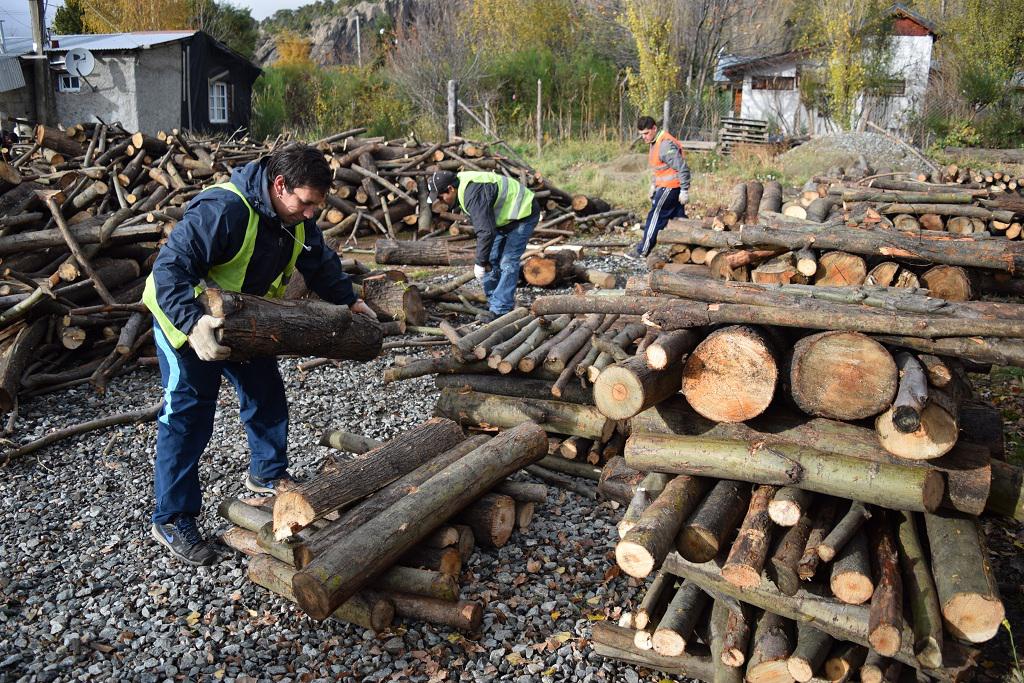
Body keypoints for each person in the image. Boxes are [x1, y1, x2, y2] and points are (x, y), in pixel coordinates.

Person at [142, 142, 376, 566]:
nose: (311, 213)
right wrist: (192, 324)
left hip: (244, 319)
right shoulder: (223, 210)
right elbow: (169, 271)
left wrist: (350, 301)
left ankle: (267, 474)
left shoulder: (297, 219)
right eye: (306, 203)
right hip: (187, 319)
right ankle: (172, 518)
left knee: (266, 395)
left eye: (317, 206)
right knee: (188, 416)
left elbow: (319, 261)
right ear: (280, 185)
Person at [428, 170, 540, 322]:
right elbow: (486, 228)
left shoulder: (474, 193)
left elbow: (486, 232)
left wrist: (479, 262)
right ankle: (494, 302)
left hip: (523, 213)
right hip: (503, 220)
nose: (441, 202)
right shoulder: (461, 186)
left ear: (450, 189)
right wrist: (483, 260)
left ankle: (501, 310)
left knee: (508, 261)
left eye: (441, 197)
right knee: (491, 258)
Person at [635, 115, 691, 257]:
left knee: (655, 216)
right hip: (666, 187)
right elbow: (659, 168)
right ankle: (690, 250)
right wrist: (653, 186)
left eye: (646, 133)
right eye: (641, 134)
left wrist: (684, 190)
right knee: (680, 220)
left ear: (654, 128)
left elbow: (682, 168)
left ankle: (643, 250)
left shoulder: (665, 144)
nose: (644, 137)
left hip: (670, 187)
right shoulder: (654, 142)